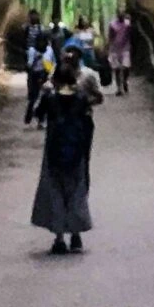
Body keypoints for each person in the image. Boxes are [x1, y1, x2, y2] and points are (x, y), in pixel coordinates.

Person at [32, 48, 99, 253]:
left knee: (56, 191)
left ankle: (59, 238)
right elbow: (89, 112)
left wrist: (45, 92)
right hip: (76, 150)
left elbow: (37, 114)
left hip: (54, 150)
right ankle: (76, 235)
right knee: (76, 191)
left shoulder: (50, 98)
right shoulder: (80, 98)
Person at [23, 25, 54, 126]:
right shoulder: (32, 51)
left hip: (45, 74)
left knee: (45, 98)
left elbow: (52, 63)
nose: (42, 43)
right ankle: (29, 114)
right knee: (33, 97)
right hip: (34, 74)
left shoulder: (49, 50)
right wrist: (36, 58)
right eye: (40, 41)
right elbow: (29, 64)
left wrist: (50, 71)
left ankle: (41, 119)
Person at [106, 7, 132, 96]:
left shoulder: (128, 24)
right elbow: (110, 37)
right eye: (119, 13)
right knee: (117, 69)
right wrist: (109, 48)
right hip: (115, 49)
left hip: (125, 48)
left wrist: (129, 45)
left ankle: (125, 81)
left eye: (123, 13)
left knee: (126, 67)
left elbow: (129, 35)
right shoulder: (112, 24)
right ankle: (119, 88)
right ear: (117, 15)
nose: (121, 15)